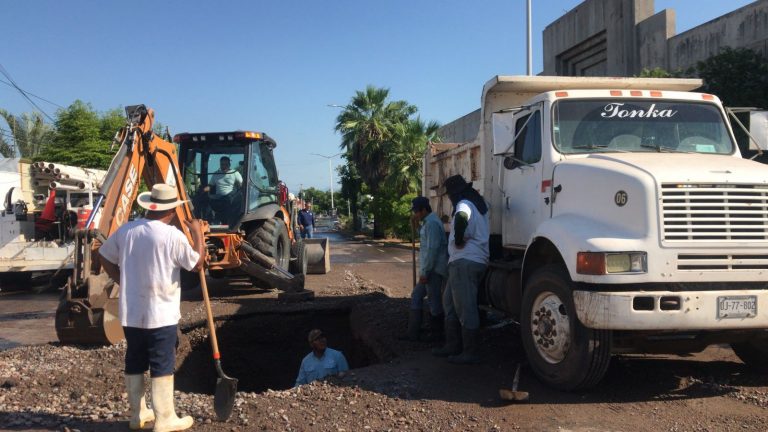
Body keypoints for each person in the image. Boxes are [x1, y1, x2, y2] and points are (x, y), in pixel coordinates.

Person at [99, 183, 205, 432]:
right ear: (170, 211)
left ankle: (137, 414)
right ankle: (165, 418)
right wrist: (198, 233)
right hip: (161, 313)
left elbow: (103, 255)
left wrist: (121, 278)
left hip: (131, 311)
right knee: (161, 362)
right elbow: (197, 264)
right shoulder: (171, 235)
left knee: (135, 359)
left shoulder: (127, 231)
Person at [432, 174, 489, 365]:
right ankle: (452, 345)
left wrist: (457, 239)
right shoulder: (477, 204)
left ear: (455, 194)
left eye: (449, 195)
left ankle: (469, 351)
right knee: (449, 303)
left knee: (465, 307)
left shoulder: (464, 204)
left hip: (464, 262)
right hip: (469, 261)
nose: (449, 198)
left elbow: (462, 218)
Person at [399, 196, 448, 342]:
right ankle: (413, 333)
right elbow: (427, 240)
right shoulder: (428, 222)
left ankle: (437, 337)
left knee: (434, 302)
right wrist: (416, 226)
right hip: (428, 270)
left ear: (424, 209)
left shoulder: (432, 223)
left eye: (417, 211)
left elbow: (432, 250)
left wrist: (425, 272)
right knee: (416, 296)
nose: (415, 214)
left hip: (433, 270)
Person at [204, 156, 243, 226]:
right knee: (203, 200)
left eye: (226, 164)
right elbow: (210, 186)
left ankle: (229, 222)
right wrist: (203, 190)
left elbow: (241, 184)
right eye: (222, 164)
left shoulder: (234, 173)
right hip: (218, 198)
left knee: (230, 200)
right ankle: (209, 221)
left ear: (229, 165)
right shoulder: (216, 174)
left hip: (230, 197)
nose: (224, 166)